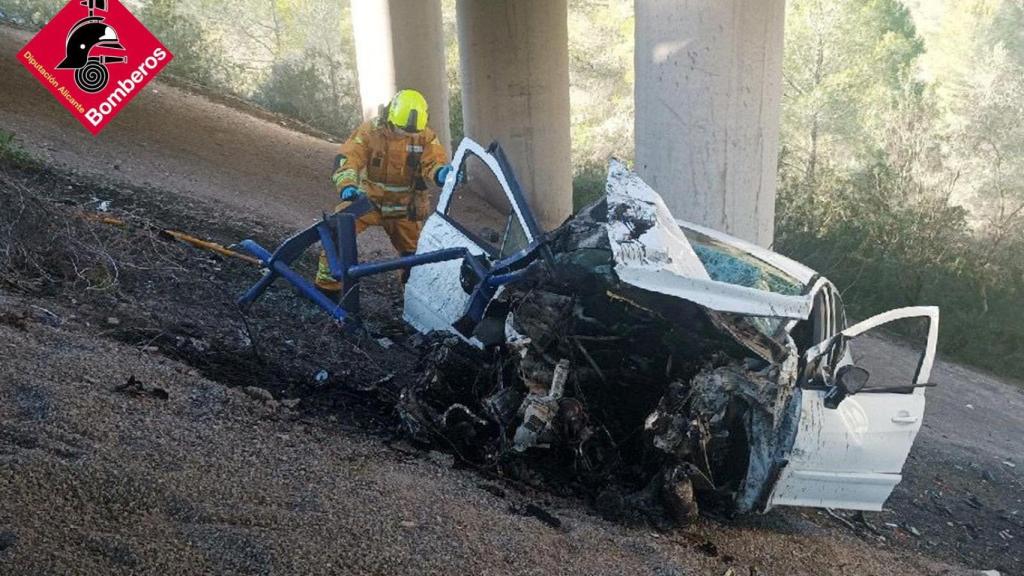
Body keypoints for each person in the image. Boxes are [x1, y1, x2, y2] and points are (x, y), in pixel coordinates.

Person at [316, 89, 452, 296]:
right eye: (400, 129)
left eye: (410, 132)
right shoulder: (370, 132)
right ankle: (328, 289)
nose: (405, 135)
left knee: (415, 257)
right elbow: (348, 159)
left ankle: (413, 295)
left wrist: (441, 173)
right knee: (339, 230)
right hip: (368, 202)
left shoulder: (425, 137)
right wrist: (347, 186)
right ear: (390, 117)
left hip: (405, 208)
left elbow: (433, 161)